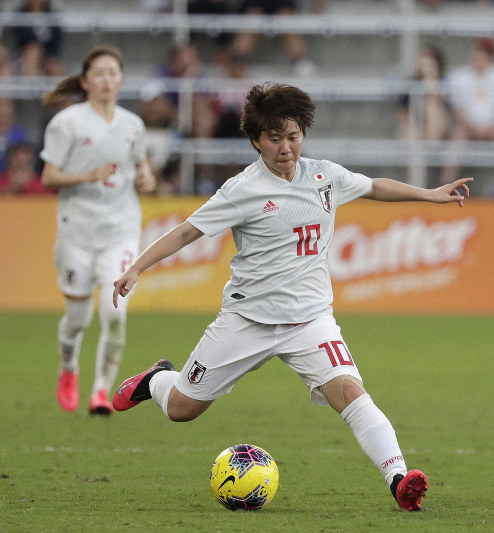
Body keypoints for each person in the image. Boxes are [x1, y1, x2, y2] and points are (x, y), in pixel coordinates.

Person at [111, 82, 472, 511]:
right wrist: (137, 266)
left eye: (294, 136)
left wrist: (429, 195)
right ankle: (156, 379)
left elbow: (374, 186)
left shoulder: (325, 176)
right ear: (256, 141)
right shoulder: (242, 189)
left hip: (309, 321)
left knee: (351, 393)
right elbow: (189, 230)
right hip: (247, 320)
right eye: (276, 138)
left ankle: (398, 479)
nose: (286, 147)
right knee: (181, 409)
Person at [40, 45, 157, 416]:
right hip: (77, 230)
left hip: (120, 230)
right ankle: (68, 369)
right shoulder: (67, 123)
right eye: (100, 73)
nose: (107, 79)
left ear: (121, 79)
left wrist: (146, 177)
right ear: (86, 80)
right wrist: (87, 176)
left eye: (113, 72)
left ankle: (102, 391)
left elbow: (142, 170)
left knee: (115, 314)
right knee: (77, 320)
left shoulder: (132, 125)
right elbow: (49, 176)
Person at [440, 37, 494, 182]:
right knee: (455, 142)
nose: (476, 55)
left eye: (481, 52)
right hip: (466, 128)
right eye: (476, 51)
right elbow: (457, 112)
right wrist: (472, 128)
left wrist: (491, 128)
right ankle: (445, 186)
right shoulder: (459, 76)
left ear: (490, 56)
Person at [396, 45, 450, 143]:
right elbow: (402, 114)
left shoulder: (443, 81)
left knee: (431, 108)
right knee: (408, 130)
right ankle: (417, 156)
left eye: (428, 60)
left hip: (437, 124)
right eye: (421, 59)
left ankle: (429, 151)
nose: (423, 62)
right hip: (414, 124)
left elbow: (440, 105)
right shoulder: (410, 82)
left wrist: (429, 77)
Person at [12, 0, 66, 77]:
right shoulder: (21, 14)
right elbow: (23, 37)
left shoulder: (51, 15)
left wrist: (48, 54)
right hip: (24, 54)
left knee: (55, 66)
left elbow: (56, 39)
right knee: (33, 51)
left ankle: (58, 88)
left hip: (48, 54)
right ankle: (31, 86)